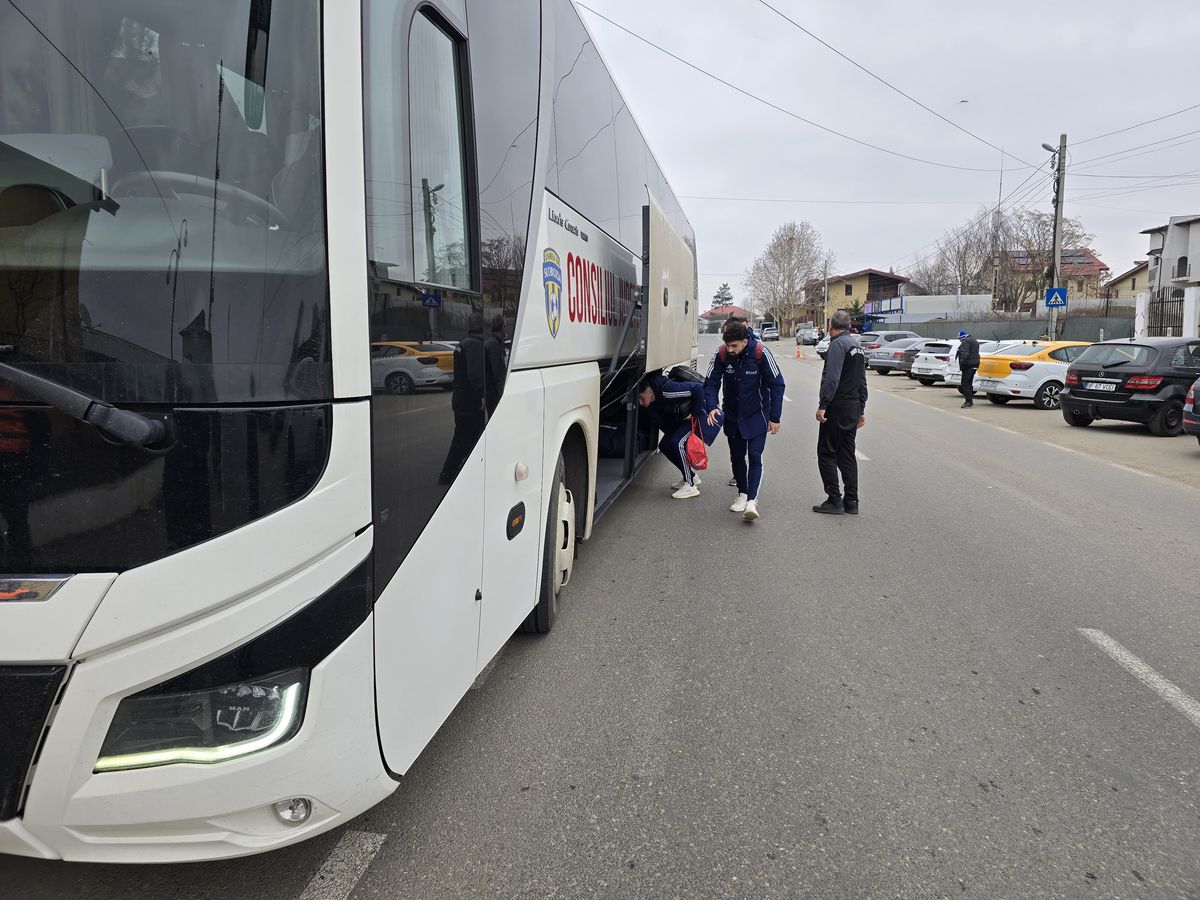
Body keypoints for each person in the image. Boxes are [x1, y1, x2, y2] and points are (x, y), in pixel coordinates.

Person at [704, 321, 785, 521]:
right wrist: (712, 406)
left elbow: (777, 385)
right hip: (732, 415)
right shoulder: (721, 354)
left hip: (757, 414)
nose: (730, 350)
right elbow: (711, 382)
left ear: (745, 341)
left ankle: (751, 501)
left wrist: (775, 417)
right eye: (728, 346)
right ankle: (742, 493)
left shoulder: (761, 353)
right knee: (737, 456)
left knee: (755, 456)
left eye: (734, 346)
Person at [812, 310, 867, 516]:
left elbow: (832, 378)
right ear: (849, 326)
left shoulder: (837, 345)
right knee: (847, 454)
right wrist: (861, 409)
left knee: (826, 453)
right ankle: (851, 501)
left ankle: (834, 500)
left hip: (837, 406)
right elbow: (862, 381)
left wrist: (823, 405)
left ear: (830, 327)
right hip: (852, 407)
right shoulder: (856, 346)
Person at [637, 371, 712, 499]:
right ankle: (691, 476)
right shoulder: (652, 403)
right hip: (682, 419)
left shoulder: (667, 390)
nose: (640, 402)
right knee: (664, 445)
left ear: (649, 390)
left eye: (641, 398)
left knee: (677, 442)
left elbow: (698, 389)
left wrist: (694, 414)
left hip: (694, 415)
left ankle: (690, 485)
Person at [438, 314, 487, 485]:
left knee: (468, 437)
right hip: (469, 402)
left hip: (461, 399)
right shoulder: (475, 345)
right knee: (465, 438)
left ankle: (461, 471)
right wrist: (481, 396)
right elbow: (476, 376)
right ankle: (449, 473)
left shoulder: (464, 343)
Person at [484, 314, 507, 416]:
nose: (506, 329)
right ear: (501, 327)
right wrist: (502, 393)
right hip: (494, 395)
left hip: (493, 393)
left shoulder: (496, 343)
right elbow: (497, 372)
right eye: (505, 326)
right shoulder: (494, 345)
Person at [956, 330, 980, 408]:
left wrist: (962, 363)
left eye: (959, 339)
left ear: (963, 337)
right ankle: (969, 401)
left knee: (964, 383)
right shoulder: (974, 340)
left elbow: (965, 353)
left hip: (968, 365)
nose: (959, 340)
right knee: (969, 383)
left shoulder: (966, 341)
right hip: (974, 364)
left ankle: (968, 402)